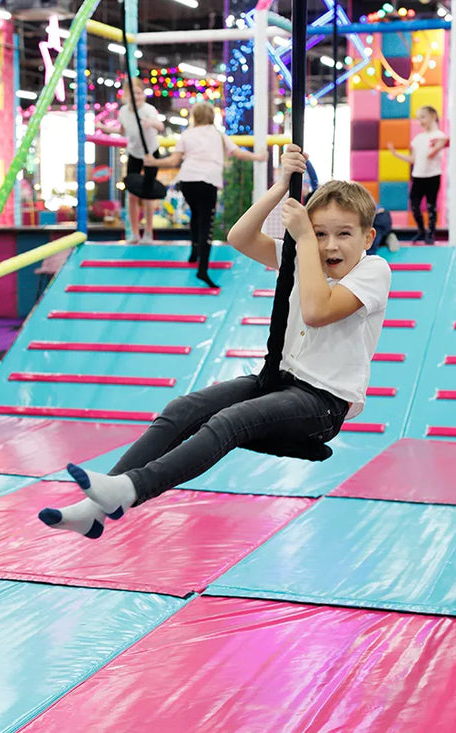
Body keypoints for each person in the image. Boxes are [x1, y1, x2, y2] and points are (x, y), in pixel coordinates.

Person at [38, 145, 392, 539]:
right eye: (321, 233)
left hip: (322, 404)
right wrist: (279, 188)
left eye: (344, 234)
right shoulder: (301, 253)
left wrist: (305, 239)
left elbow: (317, 309)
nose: (330, 245)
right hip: (277, 380)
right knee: (184, 408)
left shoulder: (373, 270)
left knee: (229, 421)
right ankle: (93, 511)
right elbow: (240, 237)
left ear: (367, 237)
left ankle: (131, 488)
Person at [145, 101, 267, 289]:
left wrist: (153, 162)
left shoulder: (187, 134)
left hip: (187, 180)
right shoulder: (218, 135)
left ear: (195, 117)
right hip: (208, 181)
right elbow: (237, 153)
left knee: (195, 214)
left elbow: (174, 160)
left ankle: (194, 252)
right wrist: (258, 157)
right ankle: (202, 269)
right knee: (206, 223)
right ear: (212, 117)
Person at [99, 77, 164, 243]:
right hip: (134, 153)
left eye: (140, 93)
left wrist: (151, 123)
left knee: (148, 194)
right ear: (127, 96)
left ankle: (148, 232)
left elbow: (160, 126)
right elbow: (122, 131)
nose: (137, 96)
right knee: (132, 194)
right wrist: (103, 128)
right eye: (133, 93)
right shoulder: (123, 111)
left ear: (143, 94)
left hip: (150, 153)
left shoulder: (149, 110)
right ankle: (135, 233)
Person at [387, 105, 448, 244]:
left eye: (422, 117)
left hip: (433, 175)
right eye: (418, 117)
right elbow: (413, 159)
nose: (420, 121)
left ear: (433, 116)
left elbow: (431, 154)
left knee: (431, 205)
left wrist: (439, 146)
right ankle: (421, 230)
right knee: (414, 204)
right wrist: (396, 154)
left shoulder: (439, 136)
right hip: (418, 175)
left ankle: (431, 234)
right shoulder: (419, 138)